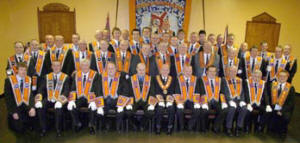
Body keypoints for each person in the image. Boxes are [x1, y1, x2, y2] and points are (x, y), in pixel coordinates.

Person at [35, 60, 70, 137]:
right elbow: (41, 89)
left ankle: (58, 129)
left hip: (60, 99)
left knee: (59, 108)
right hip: (48, 98)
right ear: (52, 67)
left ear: (61, 67)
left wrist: (60, 101)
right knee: (40, 107)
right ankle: (43, 128)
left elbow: (66, 91)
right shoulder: (47, 77)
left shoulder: (66, 77)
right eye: (54, 65)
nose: (56, 67)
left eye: (58, 65)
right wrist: (39, 99)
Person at [68, 59, 101, 135]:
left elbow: (97, 88)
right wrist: (72, 100)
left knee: (92, 108)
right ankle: (78, 124)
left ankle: (91, 125)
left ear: (89, 66)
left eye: (86, 65)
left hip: (91, 98)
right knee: (72, 107)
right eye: (83, 65)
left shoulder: (95, 74)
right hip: (79, 97)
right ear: (80, 66)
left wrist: (93, 100)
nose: (85, 67)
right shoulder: (77, 74)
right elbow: (73, 88)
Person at [4, 62, 36, 133]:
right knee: (19, 129)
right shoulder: (9, 81)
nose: (23, 72)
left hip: (25, 104)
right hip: (15, 105)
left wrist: (32, 107)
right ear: (17, 70)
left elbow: (30, 95)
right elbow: (8, 99)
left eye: (25, 70)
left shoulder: (28, 79)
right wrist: (13, 112)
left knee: (33, 124)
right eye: (21, 70)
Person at [100, 62, 128, 132]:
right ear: (106, 69)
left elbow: (125, 91)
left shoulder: (121, 78)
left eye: (112, 68)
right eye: (109, 68)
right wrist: (99, 103)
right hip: (105, 101)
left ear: (116, 69)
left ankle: (118, 127)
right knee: (100, 110)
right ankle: (106, 125)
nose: (110, 70)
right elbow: (98, 90)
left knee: (121, 110)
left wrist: (121, 103)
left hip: (117, 100)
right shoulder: (102, 78)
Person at [199, 65, 228, 133]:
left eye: (214, 71)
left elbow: (222, 92)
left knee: (224, 110)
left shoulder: (220, 80)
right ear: (206, 72)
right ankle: (204, 127)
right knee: (204, 110)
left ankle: (215, 127)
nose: (212, 73)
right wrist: (204, 102)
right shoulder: (201, 79)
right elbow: (201, 92)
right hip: (206, 100)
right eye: (210, 71)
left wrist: (223, 102)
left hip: (217, 100)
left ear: (216, 72)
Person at [127, 63, 155, 132]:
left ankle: (142, 124)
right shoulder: (131, 79)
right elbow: (128, 92)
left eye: (143, 70)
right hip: (134, 101)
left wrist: (151, 104)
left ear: (146, 70)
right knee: (128, 112)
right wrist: (129, 103)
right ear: (136, 69)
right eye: (140, 70)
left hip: (146, 101)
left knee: (150, 112)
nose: (141, 72)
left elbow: (152, 92)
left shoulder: (150, 79)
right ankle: (135, 124)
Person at [267, 70, 295, 138]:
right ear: (278, 77)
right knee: (268, 112)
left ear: (287, 77)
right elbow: (268, 98)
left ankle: (282, 131)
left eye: (284, 76)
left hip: (284, 109)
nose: (282, 78)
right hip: (273, 107)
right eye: (280, 76)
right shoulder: (273, 85)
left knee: (284, 117)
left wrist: (282, 110)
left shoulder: (290, 88)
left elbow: (291, 103)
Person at [174, 65, 201, 131]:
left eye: (190, 71)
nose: (188, 73)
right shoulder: (178, 79)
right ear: (183, 71)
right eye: (186, 71)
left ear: (192, 71)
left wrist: (196, 102)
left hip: (192, 100)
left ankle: (190, 125)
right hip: (181, 100)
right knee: (179, 110)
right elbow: (177, 92)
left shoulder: (195, 79)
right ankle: (182, 126)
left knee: (197, 110)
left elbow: (197, 92)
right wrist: (179, 102)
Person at [223, 66, 247, 136]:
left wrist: (242, 100)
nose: (232, 73)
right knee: (232, 109)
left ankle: (238, 128)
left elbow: (242, 92)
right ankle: (228, 128)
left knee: (244, 109)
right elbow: (224, 91)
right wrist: (230, 100)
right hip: (228, 100)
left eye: (234, 71)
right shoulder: (224, 80)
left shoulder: (240, 80)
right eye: (231, 71)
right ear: (228, 72)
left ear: (236, 72)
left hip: (239, 100)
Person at [153, 64, 176, 135]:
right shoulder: (155, 78)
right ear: (160, 71)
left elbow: (174, 90)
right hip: (159, 99)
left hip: (169, 99)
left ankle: (169, 128)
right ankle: (158, 127)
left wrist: (170, 96)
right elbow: (154, 90)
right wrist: (160, 98)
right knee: (159, 108)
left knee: (171, 108)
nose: (165, 71)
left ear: (169, 71)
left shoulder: (173, 79)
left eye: (166, 70)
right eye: (163, 70)